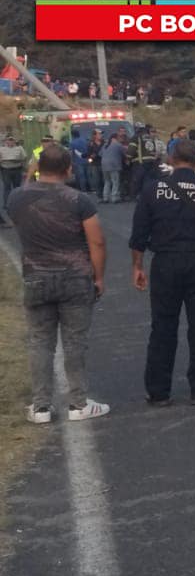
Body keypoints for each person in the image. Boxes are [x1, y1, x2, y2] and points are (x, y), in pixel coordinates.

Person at [129, 138, 195, 406]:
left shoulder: (152, 190)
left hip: (165, 263)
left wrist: (138, 266)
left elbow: (139, 234)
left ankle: (158, 391)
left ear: (170, 161)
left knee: (162, 326)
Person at [7, 142, 110, 423]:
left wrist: (31, 173)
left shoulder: (17, 198)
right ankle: (78, 402)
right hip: (74, 276)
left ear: (38, 168)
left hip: (36, 275)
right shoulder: (79, 200)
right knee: (75, 342)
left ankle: (40, 405)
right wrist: (98, 277)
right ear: (68, 169)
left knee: (40, 342)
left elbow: (20, 213)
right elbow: (96, 241)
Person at [0, 132, 25, 225]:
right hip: (5, 170)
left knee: (17, 187)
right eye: (9, 140)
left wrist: (19, 162)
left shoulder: (19, 148)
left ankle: (18, 202)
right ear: (6, 141)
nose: (10, 142)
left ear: (14, 141)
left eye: (12, 140)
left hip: (17, 169)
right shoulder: (1, 149)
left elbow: (24, 158)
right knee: (7, 187)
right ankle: (6, 204)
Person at [100, 130, 127, 203]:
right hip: (114, 165)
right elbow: (125, 154)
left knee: (107, 181)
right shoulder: (118, 145)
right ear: (116, 138)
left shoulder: (105, 145)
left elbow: (100, 154)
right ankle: (114, 198)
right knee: (115, 182)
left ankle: (105, 198)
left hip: (104, 165)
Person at [85, 129, 105, 197]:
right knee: (97, 180)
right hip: (95, 164)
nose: (101, 135)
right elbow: (88, 154)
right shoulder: (90, 144)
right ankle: (99, 194)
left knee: (105, 180)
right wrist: (91, 157)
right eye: (99, 134)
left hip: (103, 163)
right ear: (94, 135)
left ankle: (105, 194)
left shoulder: (104, 143)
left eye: (101, 134)